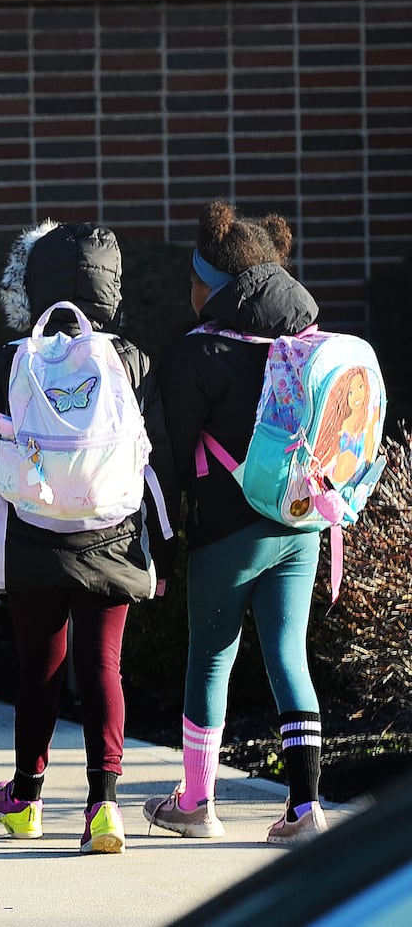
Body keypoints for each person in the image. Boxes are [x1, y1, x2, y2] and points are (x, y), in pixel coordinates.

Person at [0, 221, 175, 855]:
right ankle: (104, 807)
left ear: (33, 284)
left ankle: (26, 797)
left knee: (38, 668)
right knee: (104, 664)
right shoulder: (129, 360)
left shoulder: (10, 362)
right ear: (111, 287)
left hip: (30, 535)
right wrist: (162, 546)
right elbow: (157, 462)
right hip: (112, 533)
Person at [144, 199, 331, 845]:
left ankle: (198, 803)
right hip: (300, 521)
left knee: (211, 657)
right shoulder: (305, 338)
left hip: (229, 529)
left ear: (212, 285)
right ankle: (305, 809)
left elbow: (170, 450)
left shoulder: (196, 354)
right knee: (288, 655)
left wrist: (162, 537)